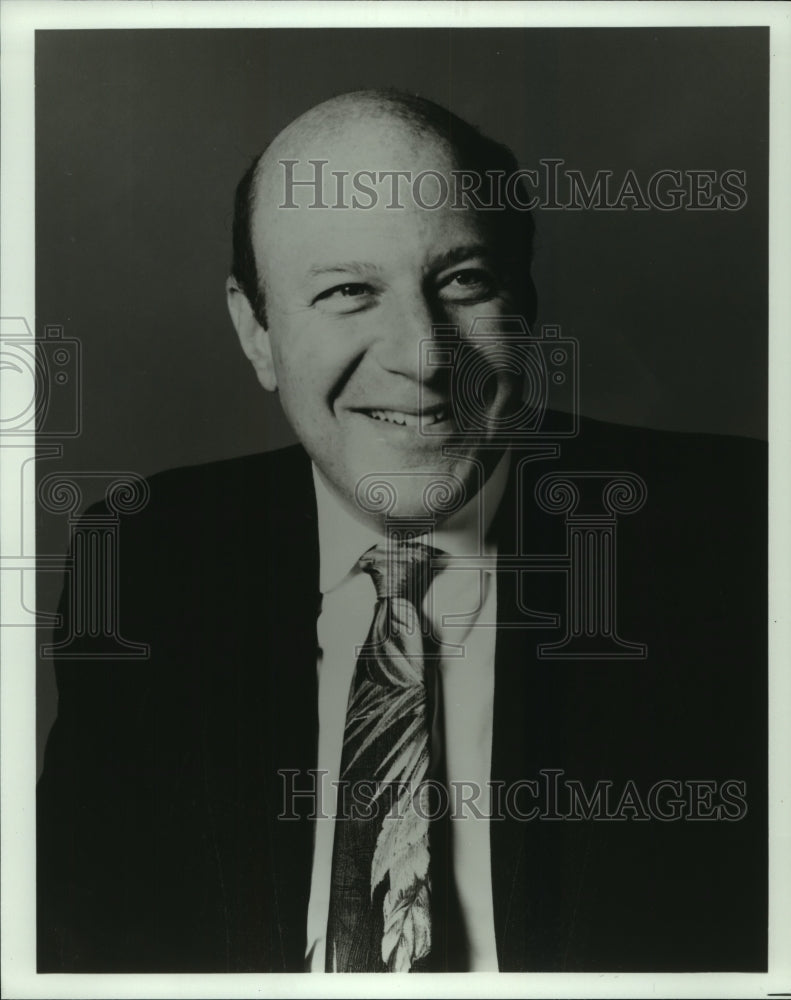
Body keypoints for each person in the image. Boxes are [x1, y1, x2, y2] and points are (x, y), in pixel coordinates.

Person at [37, 91, 766, 974]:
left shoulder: (740, 531)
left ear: (525, 306)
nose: (422, 357)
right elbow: (79, 947)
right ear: (255, 331)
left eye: (463, 281)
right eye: (348, 291)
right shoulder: (152, 552)